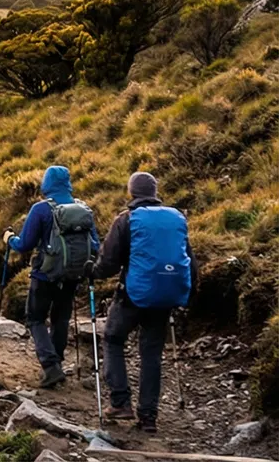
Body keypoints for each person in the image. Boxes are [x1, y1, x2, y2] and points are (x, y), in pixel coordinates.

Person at [94, 172, 190, 434]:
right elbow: (188, 257)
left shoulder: (126, 220)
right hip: (165, 296)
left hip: (132, 295)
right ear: (155, 191)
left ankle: (120, 402)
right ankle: (148, 417)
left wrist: (93, 272)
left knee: (113, 339)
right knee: (151, 353)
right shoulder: (177, 217)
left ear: (132, 192)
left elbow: (109, 262)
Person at [7, 165, 99, 389]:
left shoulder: (41, 209)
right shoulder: (82, 208)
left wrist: (9, 239)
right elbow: (95, 244)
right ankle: (56, 361)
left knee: (35, 318)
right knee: (61, 318)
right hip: (73, 274)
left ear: (46, 184)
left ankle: (50, 367)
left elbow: (25, 244)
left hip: (45, 274)